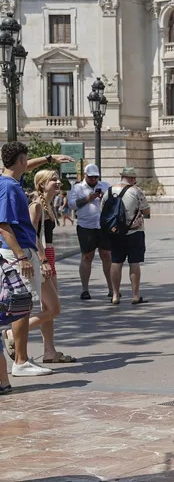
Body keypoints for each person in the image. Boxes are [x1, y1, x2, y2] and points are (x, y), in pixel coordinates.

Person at [0, 142, 74, 378]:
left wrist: (49, 158)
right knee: (22, 309)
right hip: (19, 253)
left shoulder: (11, 181)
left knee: (41, 307)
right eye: (26, 159)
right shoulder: (9, 188)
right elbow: (3, 225)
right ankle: (21, 361)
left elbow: (25, 166)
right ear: (20, 160)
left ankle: (22, 357)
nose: (28, 162)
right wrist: (22, 256)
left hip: (25, 251)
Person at [28, 170, 75, 363]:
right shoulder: (37, 205)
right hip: (41, 257)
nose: (57, 182)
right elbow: (30, 235)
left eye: (57, 178)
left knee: (48, 307)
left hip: (49, 255)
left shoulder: (48, 205)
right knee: (54, 308)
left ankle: (49, 351)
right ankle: (13, 333)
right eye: (52, 179)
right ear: (41, 184)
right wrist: (42, 260)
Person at [105, 167, 151, 305]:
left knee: (116, 262)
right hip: (134, 231)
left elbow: (103, 211)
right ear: (131, 179)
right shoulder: (136, 191)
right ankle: (135, 295)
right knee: (134, 262)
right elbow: (146, 210)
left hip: (115, 233)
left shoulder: (109, 191)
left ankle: (115, 295)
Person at [69, 164, 112, 300]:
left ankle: (112, 289)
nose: (93, 179)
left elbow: (115, 203)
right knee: (87, 256)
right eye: (91, 177)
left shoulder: (106, 185)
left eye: (95, 177)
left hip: (103, 226)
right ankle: (85, 289)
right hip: (86, 226)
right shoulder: (77, 188)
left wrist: (105, 198)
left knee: (107, 255)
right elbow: (71, 204)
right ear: (85, 175)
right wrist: (88, 199)